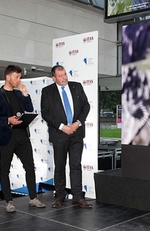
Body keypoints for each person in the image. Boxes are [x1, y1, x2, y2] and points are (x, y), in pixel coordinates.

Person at [0, 65, 45, 212]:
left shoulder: (19, 94)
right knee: (4, 169)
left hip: (22, 135)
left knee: (30, 166)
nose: (18, 80)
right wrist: (8, 120)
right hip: (6, 136)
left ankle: (33, 198)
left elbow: (30, 109)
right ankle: (9, 201)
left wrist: (25, 93)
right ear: (8, 77)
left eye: (19, 77)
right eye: (16, 77)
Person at [40, 65, 91, 208]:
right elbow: (46, 113)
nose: (64, 78)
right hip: (59, 134)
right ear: (54, 78)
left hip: (76, 133)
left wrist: (77, 123)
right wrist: (63, 127)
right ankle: (60, 196)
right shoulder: (47, 91)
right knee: (60, 166)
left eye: (65, 74)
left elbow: (86, 106)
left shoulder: (77, 87)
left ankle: (78, 197)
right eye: (60, 76)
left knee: (75, 166)